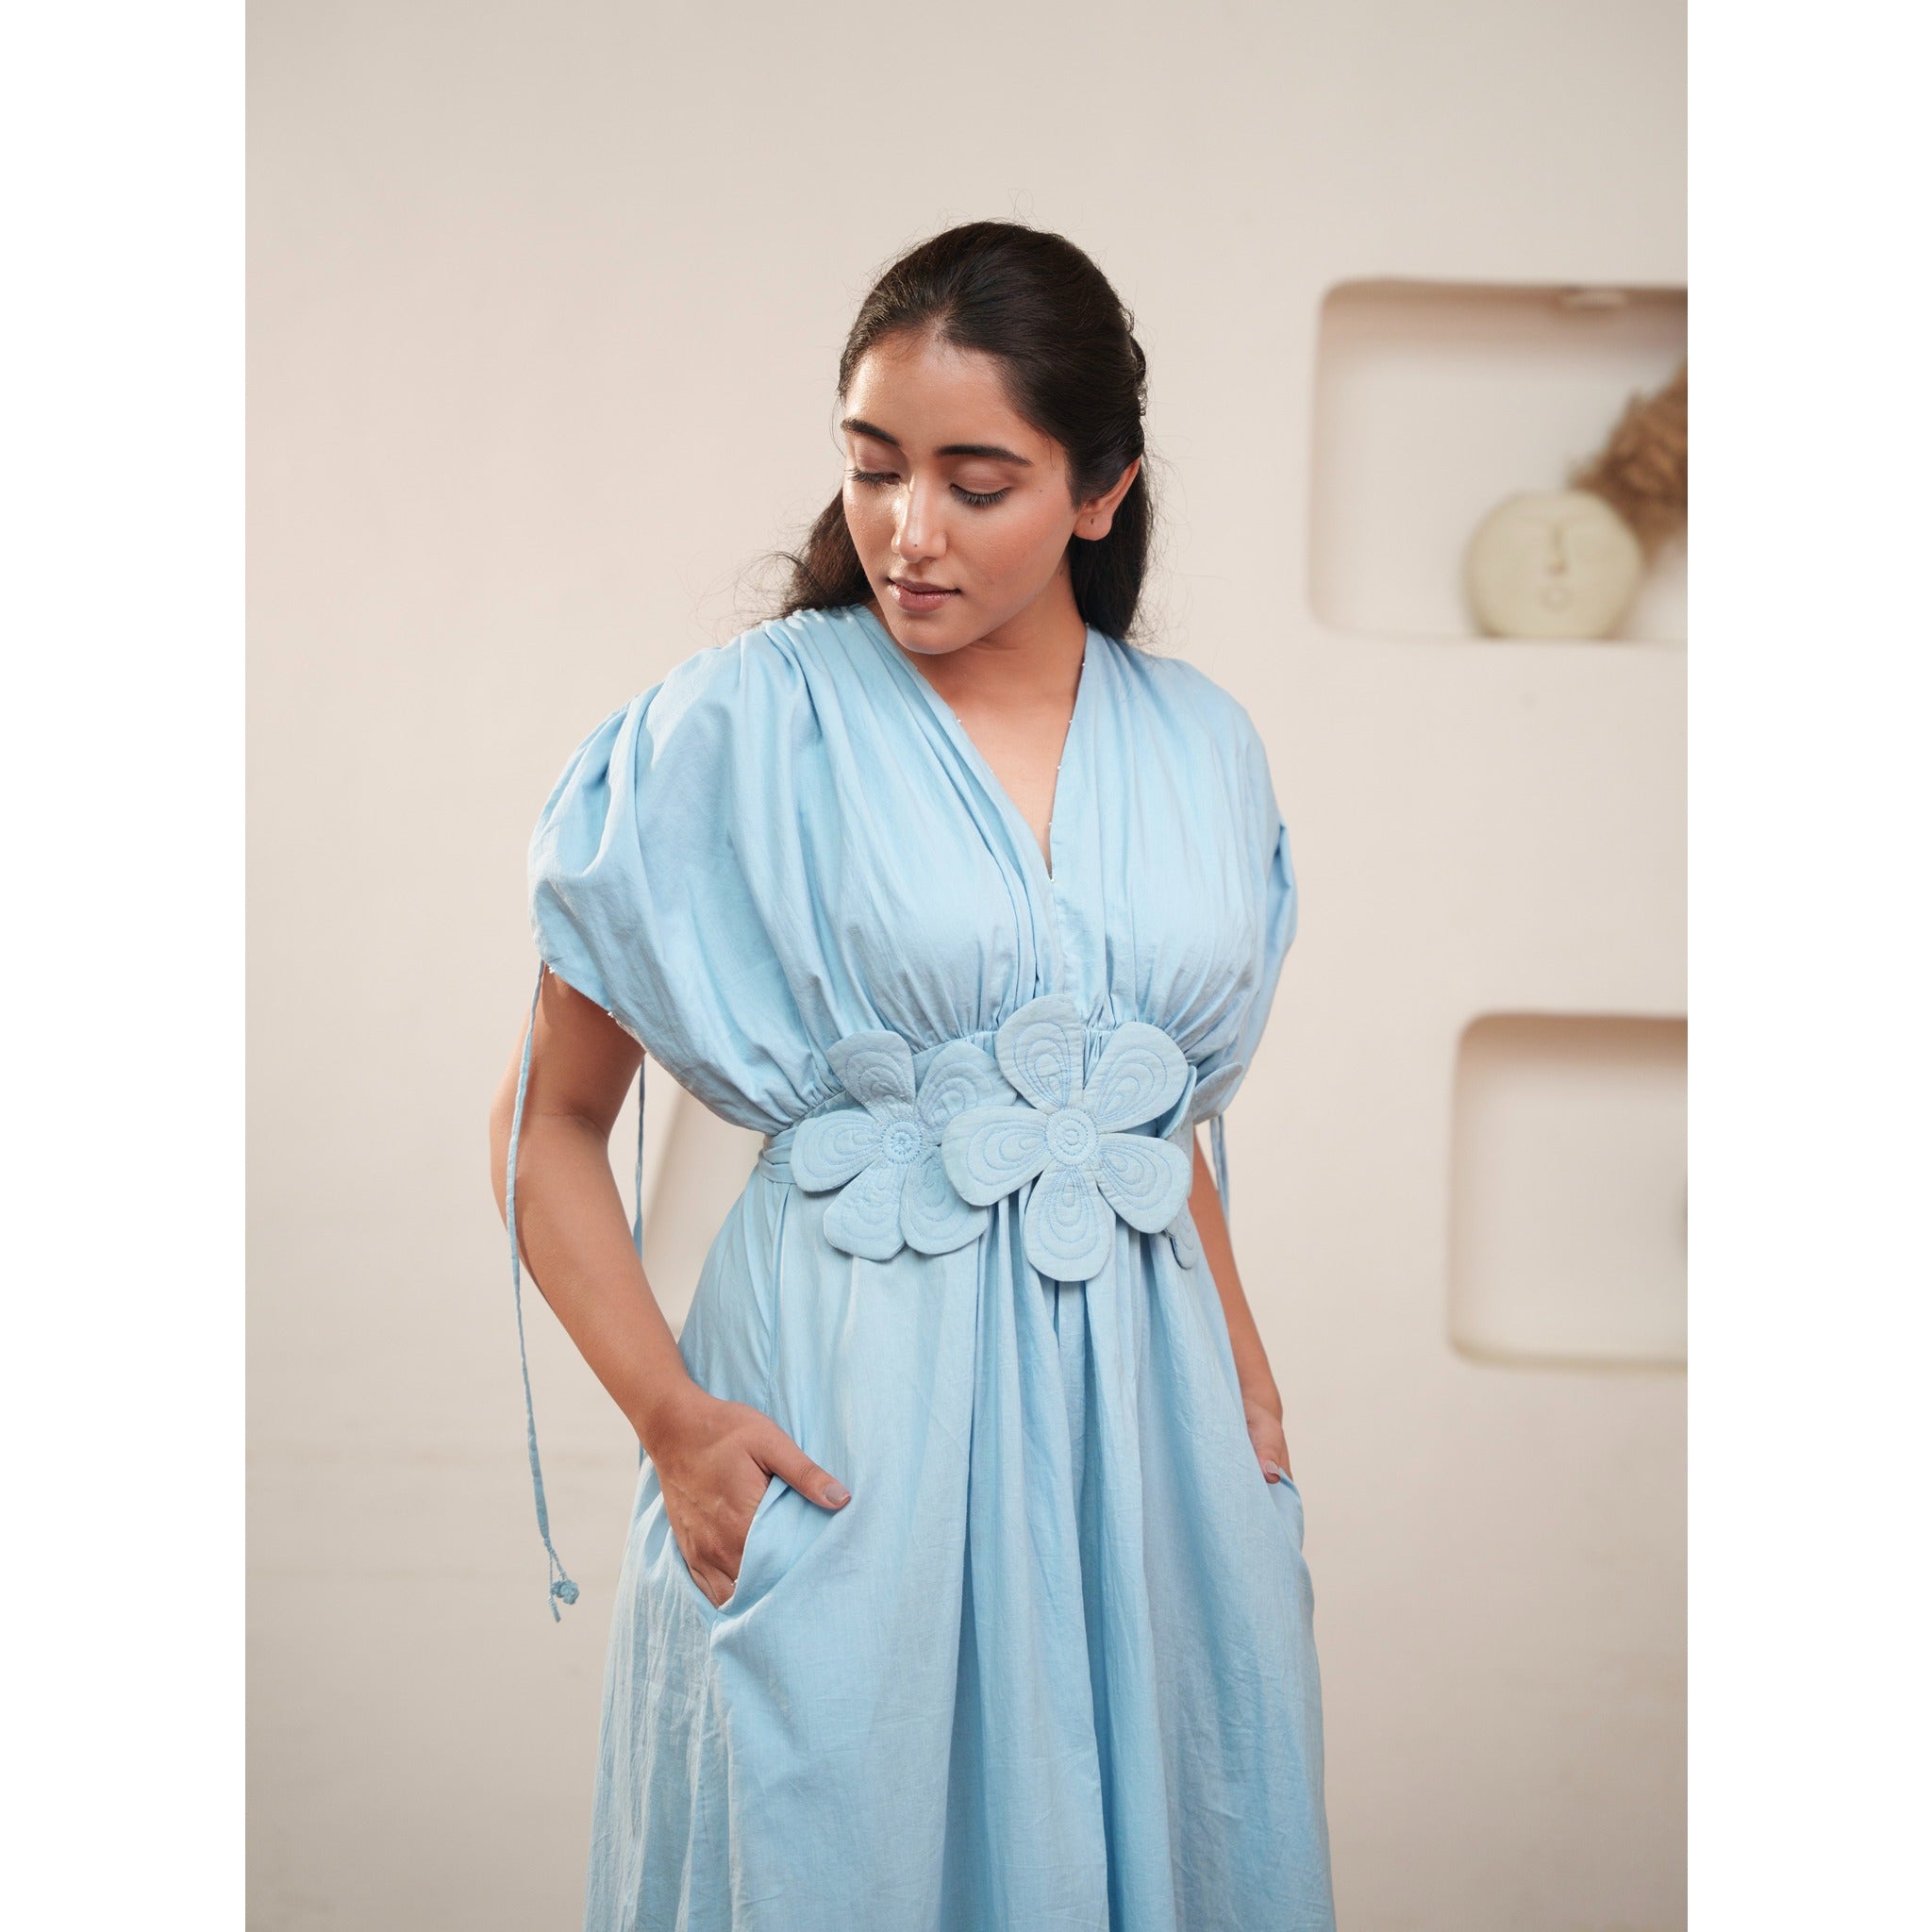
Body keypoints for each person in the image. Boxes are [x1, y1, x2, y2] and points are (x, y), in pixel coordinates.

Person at [489, 219, 1336, 1932]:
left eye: (976, 481)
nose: (909, 530)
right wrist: (673, 1425)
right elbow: (546, 1123)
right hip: (845, 1434)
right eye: (874, 467)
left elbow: (1153, 1116)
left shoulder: (1204, 744)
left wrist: (1244, 1391)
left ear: (1102, 491)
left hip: (1149, 1456)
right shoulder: (743, 725)